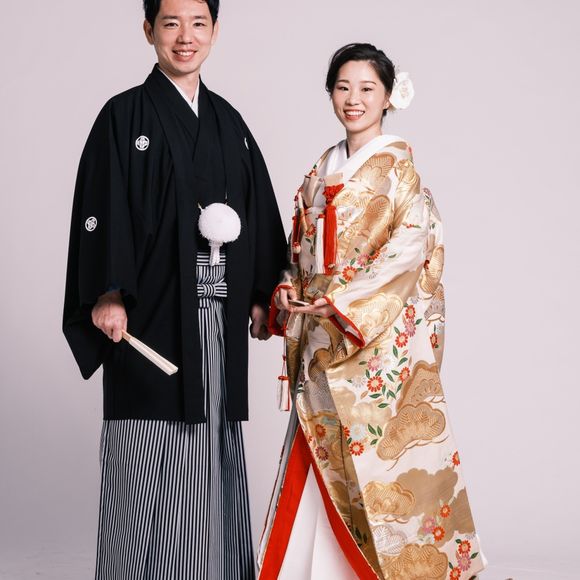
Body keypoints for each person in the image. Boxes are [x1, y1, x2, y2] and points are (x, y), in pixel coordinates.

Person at [62, 0, 286, 577]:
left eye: (198, 24)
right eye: (171, 23)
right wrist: (107, 293)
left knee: (214, 452)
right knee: (149, 456)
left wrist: (260, 295)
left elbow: (258, 211)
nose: (185, 37)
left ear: (214, 31)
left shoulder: (229, 122)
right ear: (148, 30)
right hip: (152, 315)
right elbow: (101, 207)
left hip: (218, 318)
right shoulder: (123, 116)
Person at [259, 43, 486, 579]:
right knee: (318, 449)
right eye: (343, 87)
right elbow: (300, 249)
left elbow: (407, 253)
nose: (353, 99)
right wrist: (287, 287)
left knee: (379, 467)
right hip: (320, 335)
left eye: (367, 89)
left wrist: (342, 304)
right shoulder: (320, 169)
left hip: (370, 345)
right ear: (330, 94)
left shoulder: (399, 173)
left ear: (388, 97)